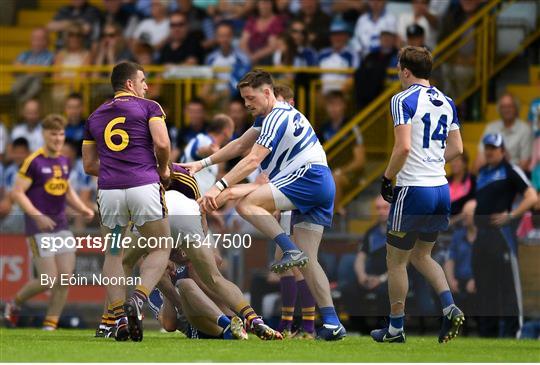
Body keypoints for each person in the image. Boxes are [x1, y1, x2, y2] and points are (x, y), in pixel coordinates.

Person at [181, 69, 347, 340]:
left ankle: (288, 249)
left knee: (246, 205)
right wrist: (202, 164)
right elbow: (239, 145)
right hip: (321, 182)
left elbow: (252, 159)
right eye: (244, 98)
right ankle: (331, 322)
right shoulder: (270, 116)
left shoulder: (275, 116)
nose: (247, 104)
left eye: (250, 98)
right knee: (309, 260)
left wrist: (219, 186)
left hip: (307, 176)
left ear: (267, 93)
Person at [372, 46, 464, 343]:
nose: (399, 74)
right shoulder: (447, 101)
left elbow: (404, 147)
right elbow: (458, 149)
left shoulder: (402, 99)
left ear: (406, 71)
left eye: (399, 69)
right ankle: (450, 307)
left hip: (413, 189)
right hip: (440, 189)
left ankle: (395, 328)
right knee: (423, 255)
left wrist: (387, 177)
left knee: (396, 261)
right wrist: (434, 162)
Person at [82, 61, 173, 342]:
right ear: (130, 84)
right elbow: (162, 143)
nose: (146, 85)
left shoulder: (94, 116)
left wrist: (116, 167)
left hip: (109, 192)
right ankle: (138, 298)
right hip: (143, 186)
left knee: (113, 253)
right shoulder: (149, 107)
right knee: (160, 246)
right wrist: (163, 169)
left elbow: (88, 165)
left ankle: (119, 317)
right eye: (143, 80)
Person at [3, 114, 94, 331]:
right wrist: (37, 215)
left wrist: (82, 208)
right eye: (53, 133)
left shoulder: (63, 160)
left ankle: (50, 325)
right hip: (38, 228)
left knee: (64, 278)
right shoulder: (33, 161)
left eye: (61, 133)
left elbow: (66, 188)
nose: (57, 138)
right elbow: (17, 193)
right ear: (44, 135)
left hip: (60, 225)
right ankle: (14, 304)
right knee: (48, 280)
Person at [472, 133, 537, 338]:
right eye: (487, 147)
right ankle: (486, 336)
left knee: (508, 287)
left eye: (493, 148)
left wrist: (510, 216)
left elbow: (531, 196)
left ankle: (514, 334)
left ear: (502, 150)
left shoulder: (510, 170)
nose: (489, 151)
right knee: (485, 288)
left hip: (502, 236)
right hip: (482, 237)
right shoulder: (482, 173)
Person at [343, 196, 390, 330]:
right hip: (372, 275)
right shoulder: (371, 232)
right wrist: (362, 276)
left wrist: (380, 279)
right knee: (349, 289)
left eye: (385, 208)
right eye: (378, 208)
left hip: (391, 277)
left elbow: (403, 263)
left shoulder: (399, 231)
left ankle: (384, 328)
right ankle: (360, 329)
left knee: (386, 291)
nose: (381, 211)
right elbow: (360, 257)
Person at [475, 93, 532, 173]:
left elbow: (524, 163)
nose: (506, 110)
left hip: (513, 176)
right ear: (499, 109)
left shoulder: (525, 129)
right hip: (491, 173)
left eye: (510, 106)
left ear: (516, 108)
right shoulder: (491, 127)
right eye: (503, 107)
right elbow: (481, 158)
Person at [182, 114, 235, 194]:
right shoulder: (204, 140)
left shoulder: (204, 140)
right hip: (190, 198)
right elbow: (199, 151)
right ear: (227, 131)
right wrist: (212, 150)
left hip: (198, 197)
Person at [204, 21, 251, 103]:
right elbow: (208, 81)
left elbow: (238, 83)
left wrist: (219, 96)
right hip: (214, 96)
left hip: (236, 98)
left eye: (227, 36)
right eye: (221, 36)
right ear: (216, 37)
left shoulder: (242, 58)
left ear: (232, 37)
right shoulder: (210, 58)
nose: (224, 39)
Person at [11, 27, 55, 103]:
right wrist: (33, 69)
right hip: (23, 81)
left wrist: (24, 68)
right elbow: (15, 67)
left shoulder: (50, 55)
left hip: (40, 84)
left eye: (41, 39)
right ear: (30, 40)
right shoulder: (25, 54)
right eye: (35, 39)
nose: (37, 42)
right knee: (22, 82)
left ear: (47, 41)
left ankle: (21, 101)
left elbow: (43, 71)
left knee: (35, 81)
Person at [318, 18, 359, 95]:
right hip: (323, 95)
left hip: (343, 95)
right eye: (334, 34)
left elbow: (354, 75)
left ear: (347, 36)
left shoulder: (352, 54)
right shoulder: (322, 53)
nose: (337, 38)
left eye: (340, 34)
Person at [239, 0, 285, 65]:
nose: (264, 6)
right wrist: (249, 57)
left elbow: (272, 46)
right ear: (258, 5)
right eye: (262, 3)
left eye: (267, 3)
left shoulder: (277, 21)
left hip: (268, 59)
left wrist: (255, 57)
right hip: (249, 58)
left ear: (272, 5)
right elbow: (243, 43)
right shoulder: (252, 20)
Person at [0, 138, 31, 233]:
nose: (19, 156)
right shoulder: (9, 171)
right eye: (16, 153)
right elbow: (5, 194)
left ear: (28, 153)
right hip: (11, 206)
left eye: (22, 153)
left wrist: (8, 201)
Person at [448, 151, 475, 217]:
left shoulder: (472, 180)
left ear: (465, 163)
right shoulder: (445, 180)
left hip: (462, 220)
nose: (453, 164)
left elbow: (473, 203)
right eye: (452, 161)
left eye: (457, 161)